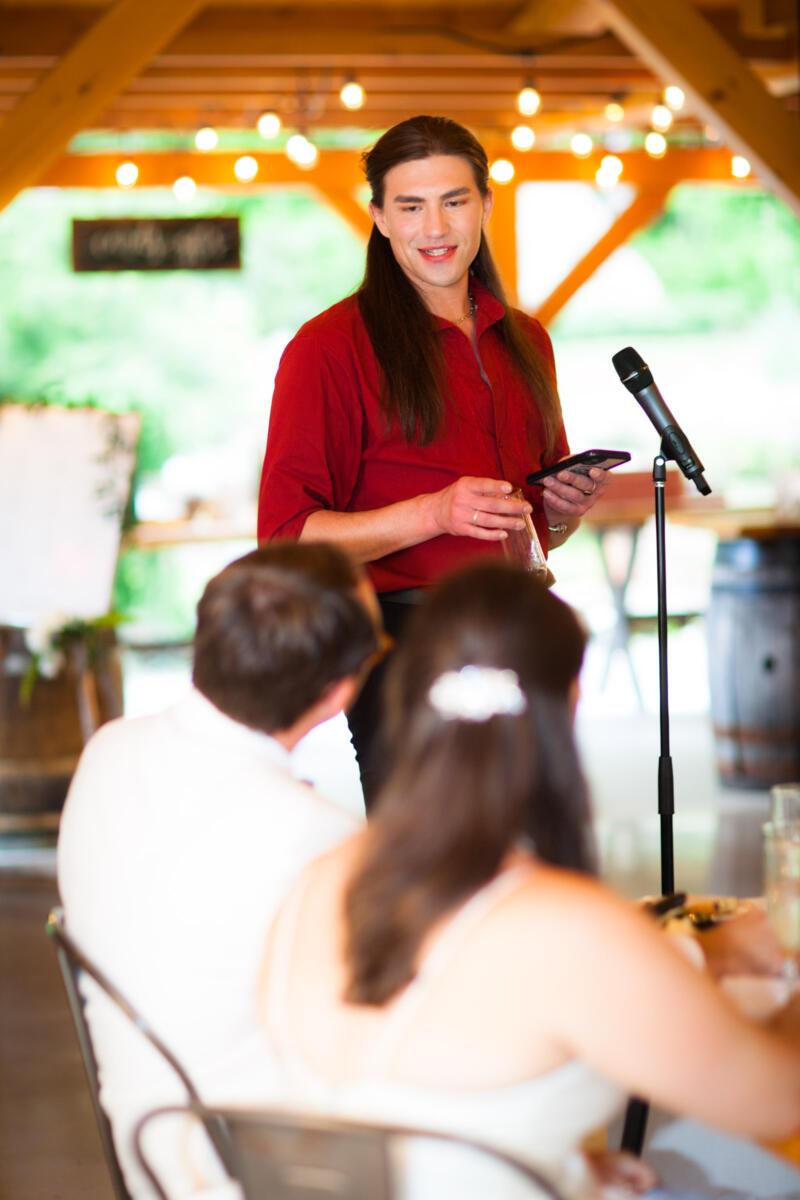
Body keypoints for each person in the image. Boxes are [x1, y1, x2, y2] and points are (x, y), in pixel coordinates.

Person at [253, 561, 800, 1200]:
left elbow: (412, 1102)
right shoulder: (559, 925)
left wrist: (556, 1165)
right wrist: (789, 963)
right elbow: (780, 1102)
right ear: (565, 703)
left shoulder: (320, 879)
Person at [258, 114, 612, 804]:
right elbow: (284, 537)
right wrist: (432, 512)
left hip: (523, 623)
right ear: (380, 219)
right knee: (430, 876)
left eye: (454, 201)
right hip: (407, 642)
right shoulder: (328, 347)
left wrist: (561, 514)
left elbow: (532, 526)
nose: (436, 228)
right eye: (411, 207)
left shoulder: (527, 340)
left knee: (532, 857)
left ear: (485, 203)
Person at [57, 542, 382, 1198]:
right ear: (336, 694)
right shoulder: (317, 837)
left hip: (150, 1142)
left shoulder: (110, 748)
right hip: (259, 1168)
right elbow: (368, 1035)